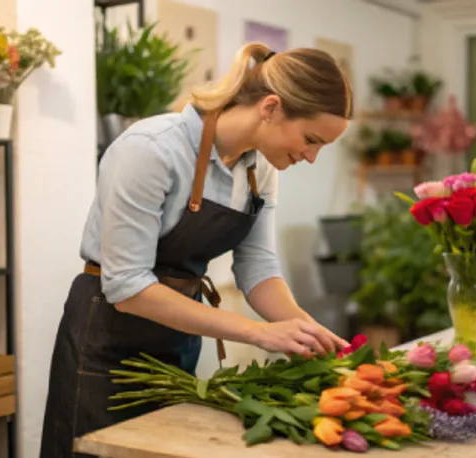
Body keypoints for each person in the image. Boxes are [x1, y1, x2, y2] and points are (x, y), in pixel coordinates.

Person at [39, 42, 354, 457]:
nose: (311, 157)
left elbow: (258, 268)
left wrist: (310, 335)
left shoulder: (259, 168)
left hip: (179, 337)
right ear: (271, 107)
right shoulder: (151, 148)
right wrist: (259, 333)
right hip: (105, 337)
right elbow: (128, 286)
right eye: (311, 140)